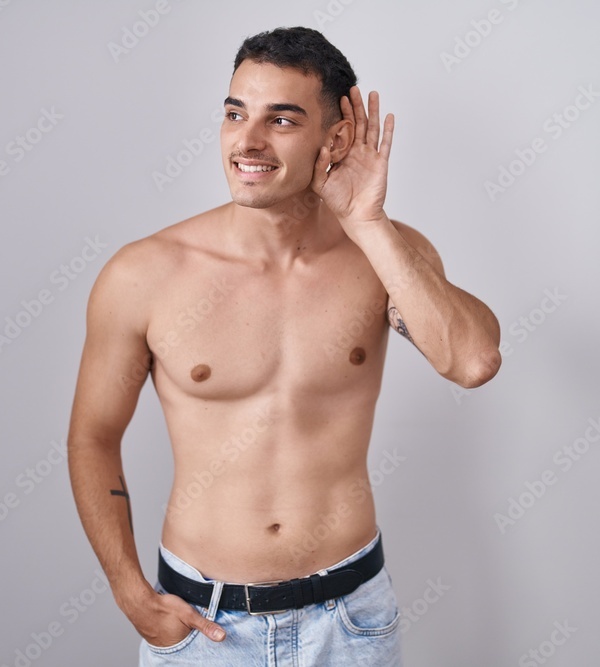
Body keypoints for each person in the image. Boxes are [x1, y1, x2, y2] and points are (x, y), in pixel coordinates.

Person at [67, 26, 501, 666]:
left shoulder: (381, 257)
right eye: (235, 112)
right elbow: (92, 436)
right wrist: (129, 591)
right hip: (204, 627)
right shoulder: (144, 274)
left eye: (282, 120)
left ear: (337, 137)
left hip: (351, 619)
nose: (248, 141)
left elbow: (472, 362)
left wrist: (370, 224)